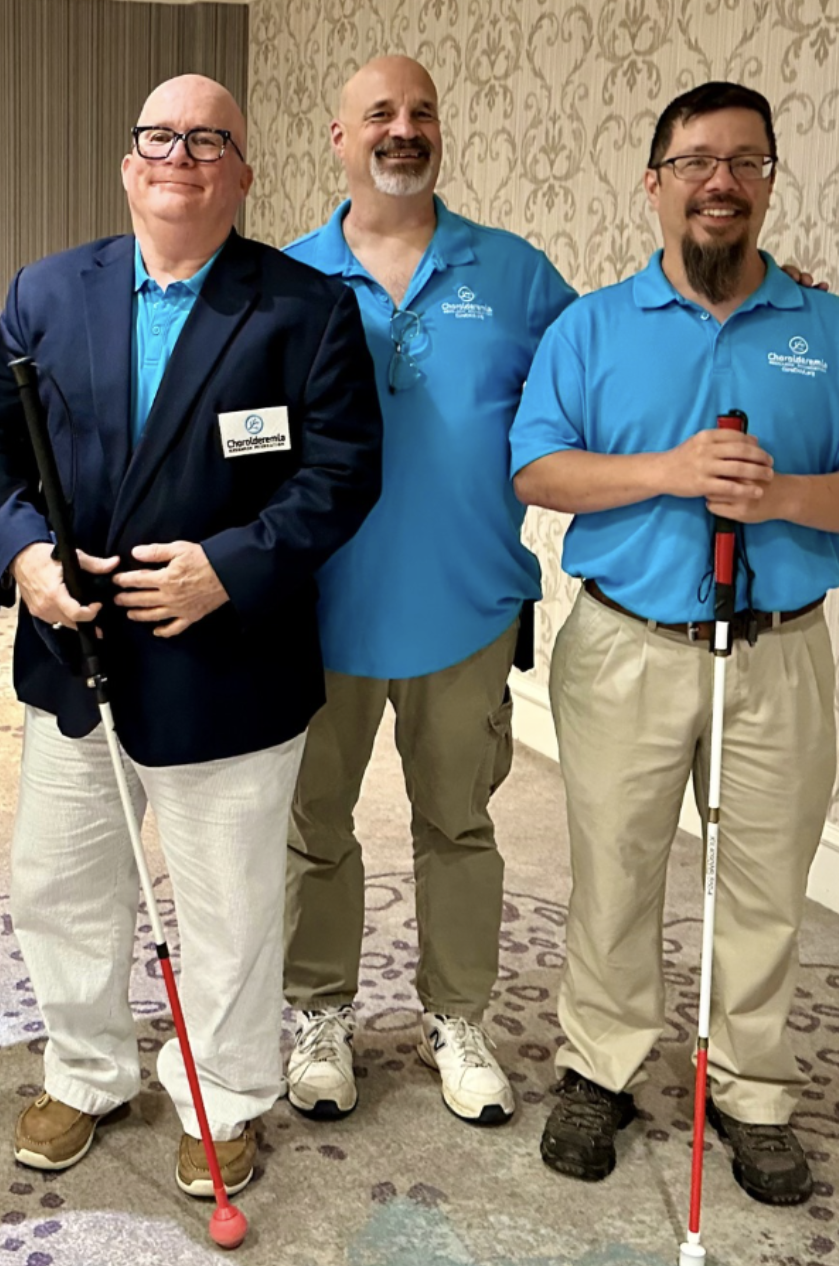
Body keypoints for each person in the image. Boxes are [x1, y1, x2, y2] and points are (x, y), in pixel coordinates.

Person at [510, 82, 839, 1203]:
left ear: (768, 183)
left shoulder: (830, 331)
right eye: (695, 161)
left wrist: (783, 501)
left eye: (745, 162)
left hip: (780, 651)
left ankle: (753, 1091)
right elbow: (536, 468)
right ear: (656, 182)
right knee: (616, 872)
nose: (719, 182)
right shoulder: (591, 326)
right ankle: (603, 1066)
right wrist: (669, 474)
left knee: (767, 881)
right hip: (627, 646)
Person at [0, 74, 382, 1196]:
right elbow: (0, 459)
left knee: (230, 906)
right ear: (128, 164)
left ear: (244, 174)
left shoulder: (305, 308)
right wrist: (23, 554)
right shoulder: (41, 293)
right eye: (159, 137)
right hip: (75, 660)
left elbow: (343, 472)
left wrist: (231, 567)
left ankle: (222, 1094)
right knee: (60, 888)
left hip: (232, 664)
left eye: (209, 140)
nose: (181, 154)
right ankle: (83, 1068)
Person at [281, 55, 577, 1126]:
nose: (404, 130)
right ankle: (317, 1011)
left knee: (458, 825)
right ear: (339, 137)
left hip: (467, 609)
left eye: (422, 113)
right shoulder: (287, 279)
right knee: (314, 826)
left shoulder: (517, 274)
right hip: (318, 615)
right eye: (380, 115)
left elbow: (615, 368)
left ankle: (458, 1015)